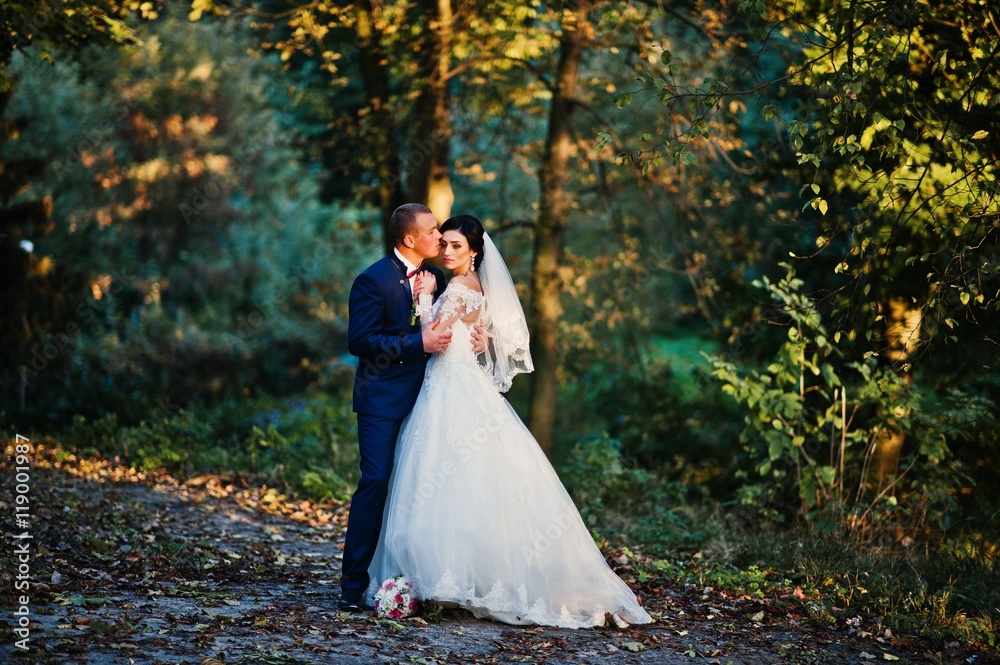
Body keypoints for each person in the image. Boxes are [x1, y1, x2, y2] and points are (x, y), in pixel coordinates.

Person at [367, 214, 652, 628]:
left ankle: (449, 581)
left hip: (451, 390)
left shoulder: (459, 288)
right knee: (466, 482)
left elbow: (435, 337)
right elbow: (472, 339)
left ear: (475, 252)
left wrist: (426, 296)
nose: (446, 251)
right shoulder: (473, 287)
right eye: (443, 243)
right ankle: (459, 579)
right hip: (458, 385)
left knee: (446, 479)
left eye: (456, 246)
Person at [339, 203, 452, 611]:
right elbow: (361, 341)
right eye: (433, 230)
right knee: (376, 483)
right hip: (382, 400)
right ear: (410, 239)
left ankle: (419, 579)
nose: (439, 237)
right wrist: (415, 344)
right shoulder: (371, 280)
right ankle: (352, 587)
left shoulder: (436, 277)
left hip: (430, 397)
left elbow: (447, 325)